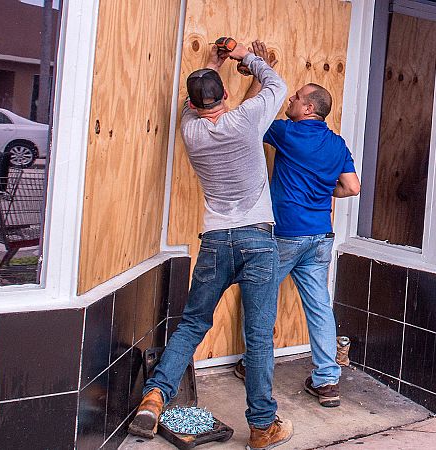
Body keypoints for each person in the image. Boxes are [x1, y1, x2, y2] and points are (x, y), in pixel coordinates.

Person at [127, 40, 293, 450]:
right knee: (257, 336)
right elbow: (276, 82)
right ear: (225, 96)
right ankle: (261, 427)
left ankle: (156, 395)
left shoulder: (191, 130)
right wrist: (244, 57)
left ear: (195, 103)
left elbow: (192, 100)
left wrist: (212, 63)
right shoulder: (247, 119)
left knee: (192, 324)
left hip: (216, 240)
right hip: (257, 239)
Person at [234, 43, 361, 408]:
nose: (290, 98)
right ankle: (327, 381)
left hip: (287, 234)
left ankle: (251, 364)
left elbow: (246, 119)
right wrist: (322, 190)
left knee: (259, 296)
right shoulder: (337, 143)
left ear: (308, 108)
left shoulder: (288, 133)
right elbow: (352, 187)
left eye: (298, 96)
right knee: (319, 306)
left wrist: (261, 73)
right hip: (321, 236)